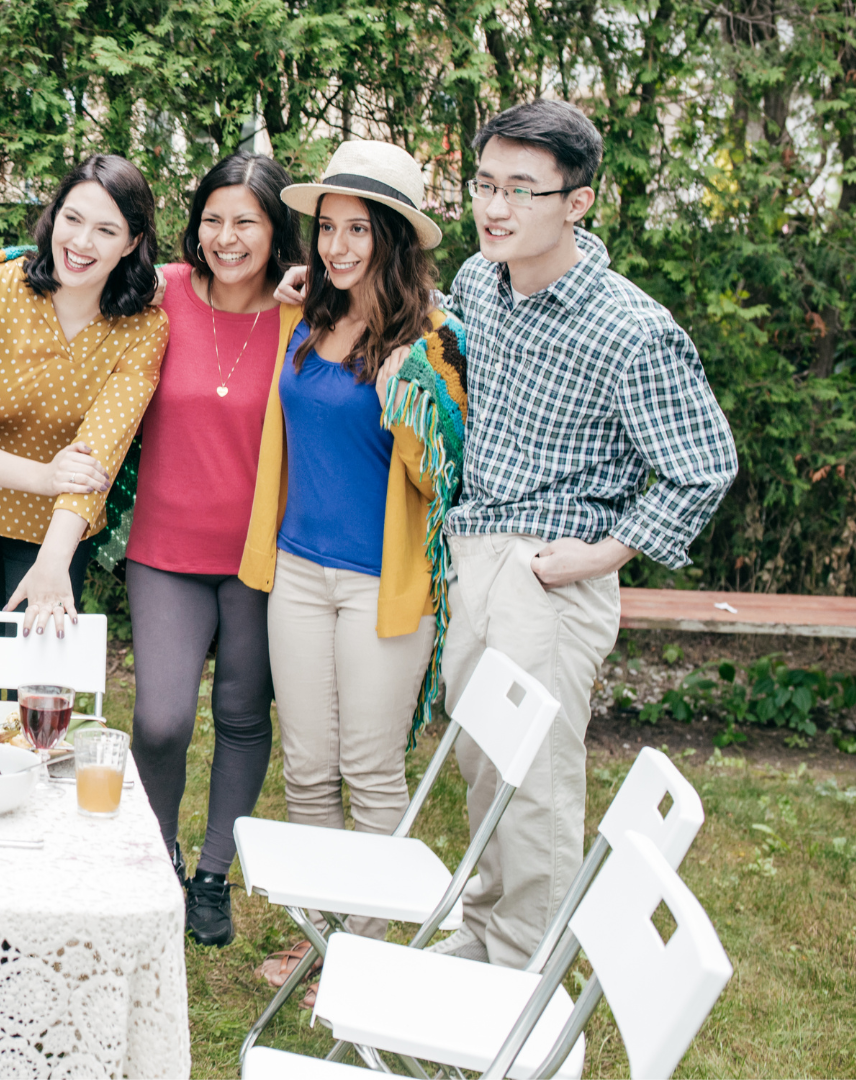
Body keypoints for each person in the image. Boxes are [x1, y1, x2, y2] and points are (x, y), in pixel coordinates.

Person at [429, 102, 736, 966]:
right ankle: (488, 934)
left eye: (522, 190)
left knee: (537, 785)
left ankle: (528, 978)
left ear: (578, 203)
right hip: (472, 556)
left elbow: (704, 462)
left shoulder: (630, 329)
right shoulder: (478, 285)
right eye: (486, 184)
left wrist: (609, 553)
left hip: (549, 578)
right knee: (484, 765)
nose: (496, 207)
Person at [240, 140, 466, 996]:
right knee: (305, 766)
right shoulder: (305, 315)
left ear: (394, 238)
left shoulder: (435, 343)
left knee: (370, 770)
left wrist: (413, 400)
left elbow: (442, 480)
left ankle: (371, 950)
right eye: (327, 228)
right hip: (298, 572)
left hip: (383, 586)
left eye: (356, 230)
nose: (336, 247)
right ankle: (321, 935)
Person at [124, 152, 305, 948]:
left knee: (239, 712)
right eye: (213, 219)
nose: (226, 238)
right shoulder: (159, 291)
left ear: (275, 233)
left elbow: (404, 312)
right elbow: (68, 277)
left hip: (262, 555)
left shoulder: (306, 311)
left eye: (247, 222)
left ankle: (211, 875)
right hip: (165, 547)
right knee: (160, 720)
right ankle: (155, 859)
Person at [0, 154, 168, 700]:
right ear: (53, 216)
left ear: (131, 242)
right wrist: (45, 476)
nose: (82, 242)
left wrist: (53, 560)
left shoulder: (143, 327)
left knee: (42, 699)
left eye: (107, 230)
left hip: (59, 533)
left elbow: (100, 449)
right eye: (72, 219)